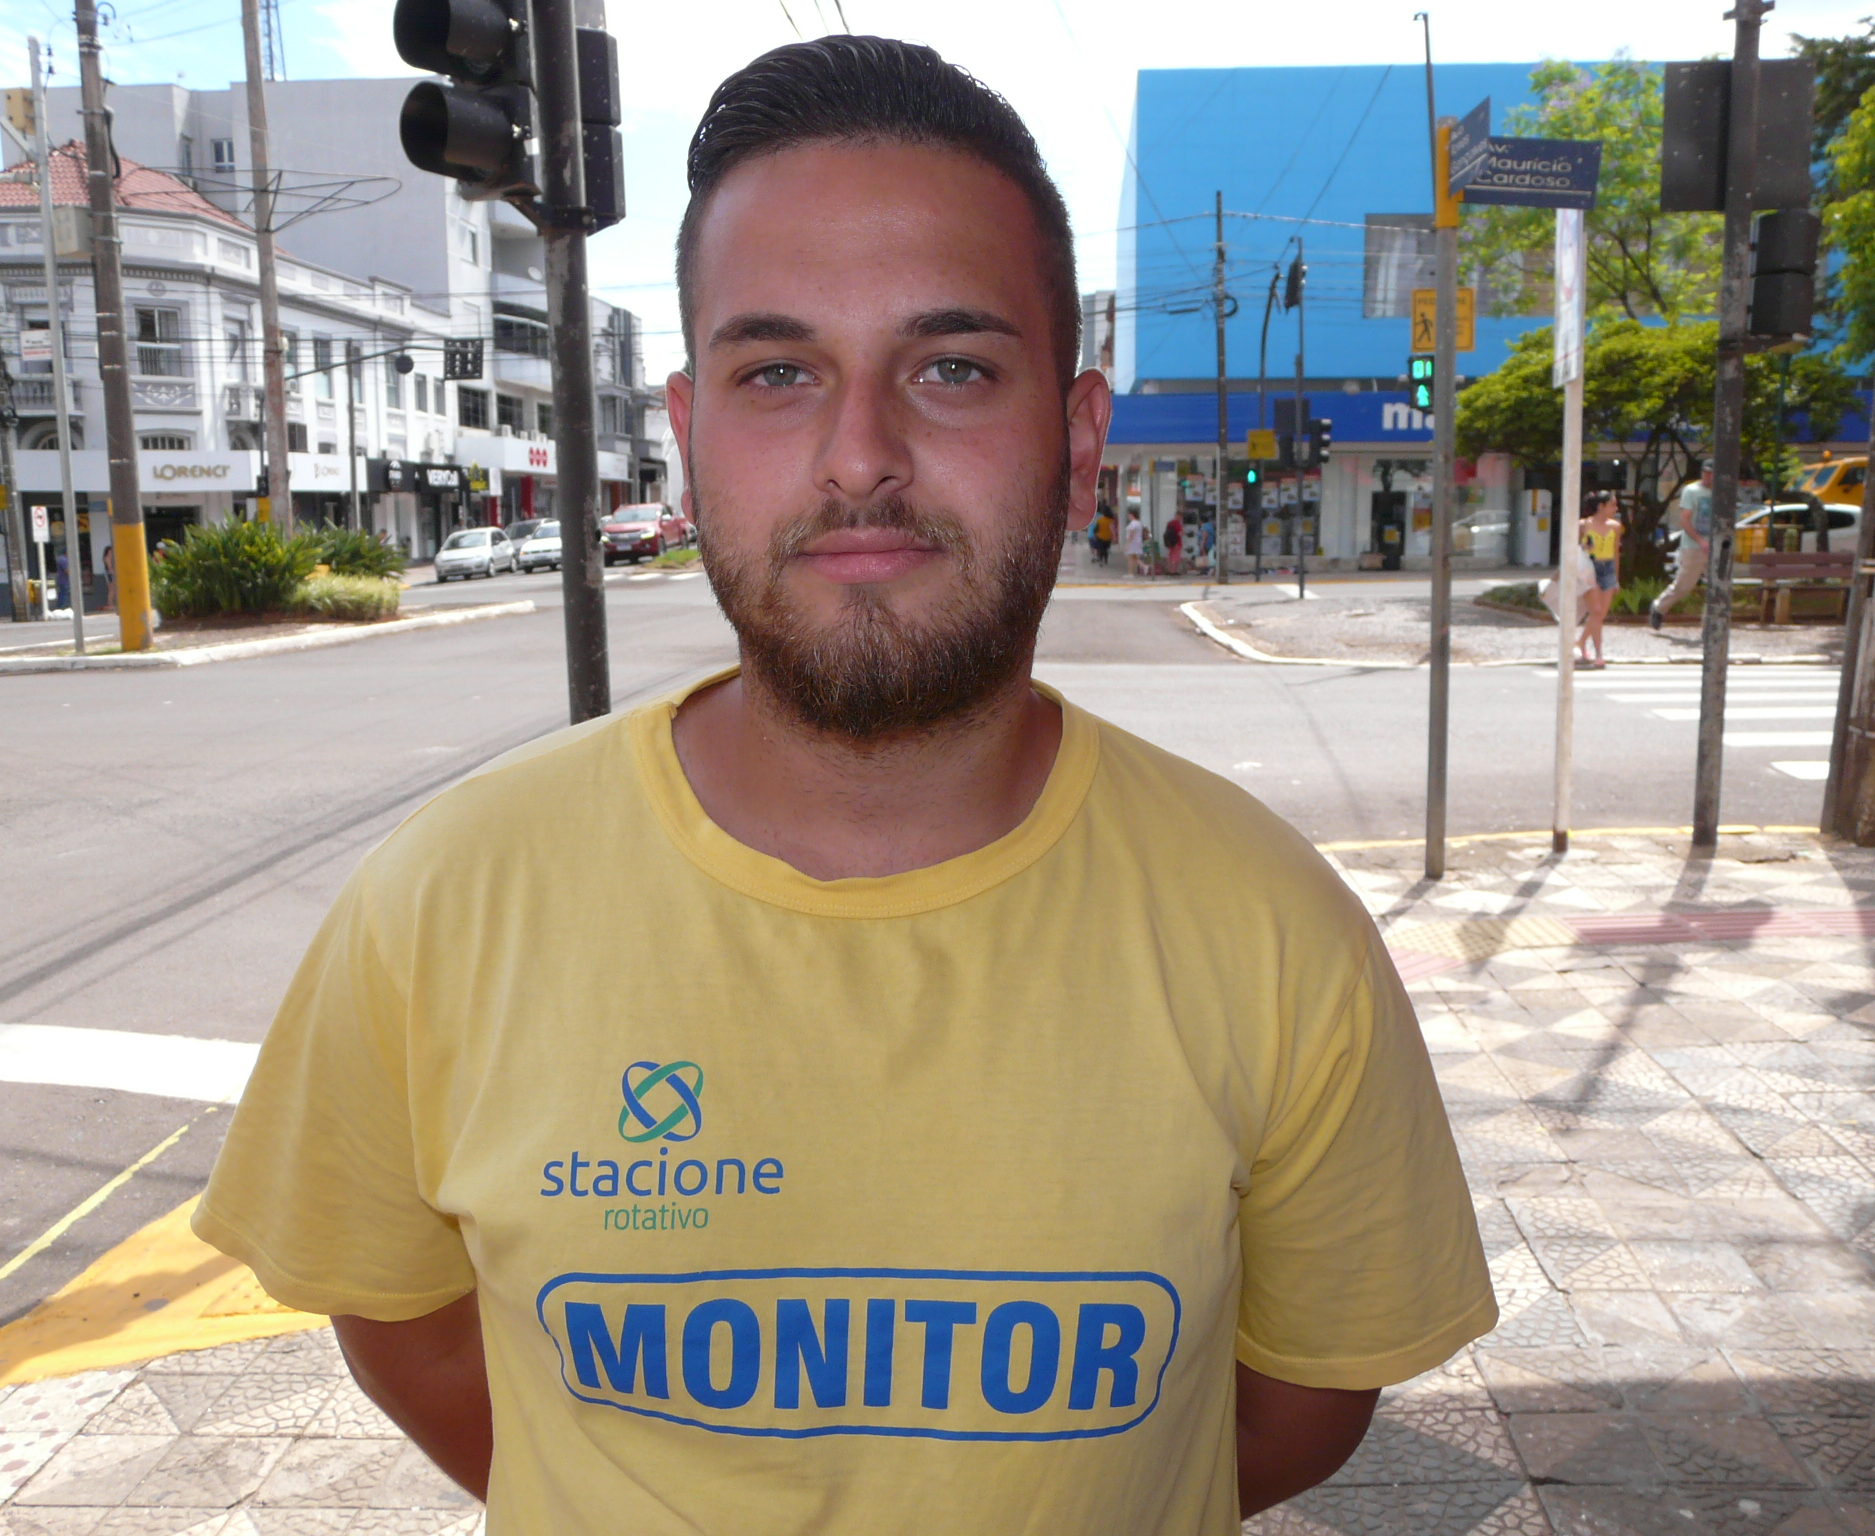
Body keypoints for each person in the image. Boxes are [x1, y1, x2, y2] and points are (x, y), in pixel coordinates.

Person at [193, 37, 1493, 1535]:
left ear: (1077, 445)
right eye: (777, 373)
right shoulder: (440, 907)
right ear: (687, 439)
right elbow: (406, 1332)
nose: (859, 456)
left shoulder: (1274, 933)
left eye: (950, 369)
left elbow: (1297, 1410)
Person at [1651, 461, 1712, 632]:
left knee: (1718, 587)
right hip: (1693, 546)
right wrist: (1700, 541)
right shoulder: (1691, 491)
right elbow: (1684, 520)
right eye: (1706, 472)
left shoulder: (1721, 492)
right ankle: (1658, 607)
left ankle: (1710, 625)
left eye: (1712, 473)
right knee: (1684, 585)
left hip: (1715, 547)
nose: (1708, 476)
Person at [1579, 489, 1623, 668]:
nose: (1616, 508)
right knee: (1596, 611)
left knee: (1600, 614)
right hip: (1589, 568)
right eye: (1613, 505)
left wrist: (1616, 578)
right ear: (1601, 506)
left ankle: (1581, 642)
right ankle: (1598, 653)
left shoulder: (1616, 526)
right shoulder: (1583, 525)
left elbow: (1616, 553)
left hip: (1608, 568)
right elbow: (1574, 549)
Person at [1123, 506, 1147, 576]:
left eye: (1129, 515)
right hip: (1137, 541)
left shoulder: (1133, 524)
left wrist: (1127, 544)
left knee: (1131, 557)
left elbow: (1131, 534)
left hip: (1132, 542)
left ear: (1132, 515)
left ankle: (1130, 573)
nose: (1128, 516)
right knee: (1133, 557)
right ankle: (1144, 566)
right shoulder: (1139, 523)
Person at [1164, 510, 1184, 574]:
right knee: (1176, 558)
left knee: (1170, 557)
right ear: (1179, 516)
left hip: (1169, 543)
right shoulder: (1178, 524)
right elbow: (1180, 534)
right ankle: (1174, 571)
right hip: (1177, 543)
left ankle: (1169, 570)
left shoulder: (1170, 523)